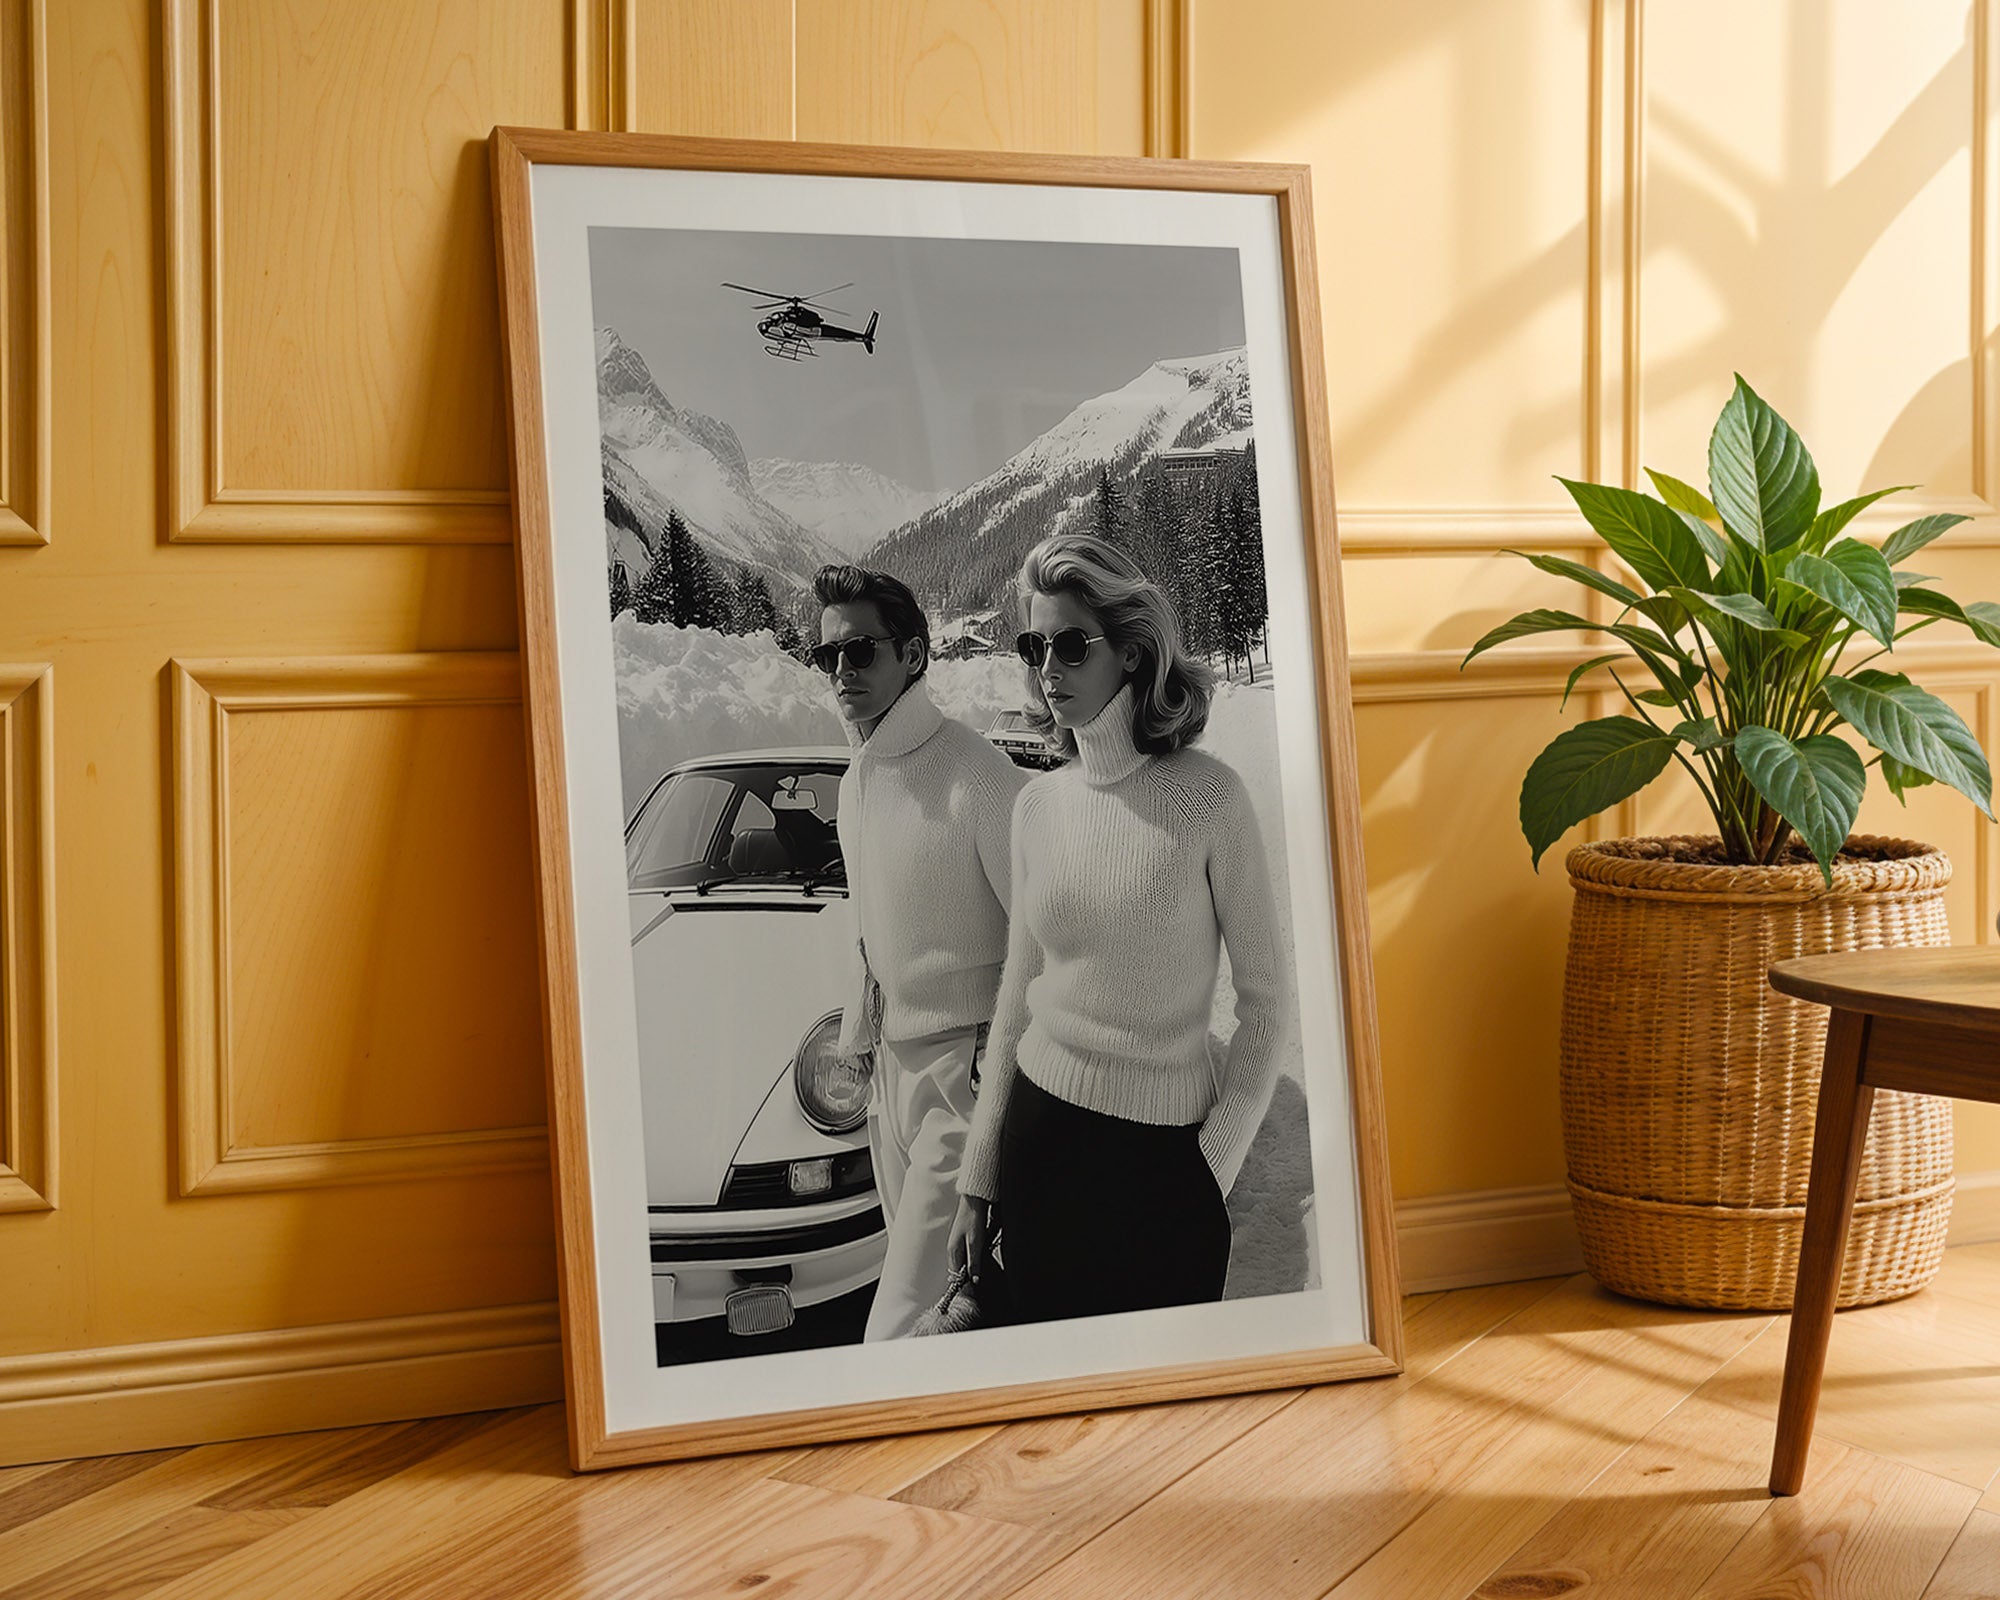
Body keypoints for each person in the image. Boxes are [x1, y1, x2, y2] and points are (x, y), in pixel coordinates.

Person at [948, 533, 1286, 1322]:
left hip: (1163, 1171)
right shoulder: (1037, 806)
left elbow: (1267, 1005)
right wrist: (979, 1178)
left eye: (1070, 644)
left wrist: (1211, 1168)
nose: (1047, 669)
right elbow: (1016, 1002)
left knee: (1164, 1421)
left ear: (1132, 654)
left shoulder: (1210, 798)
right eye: (1035, 645)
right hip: (1038, 1144)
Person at [812, 564, 1028, 1340]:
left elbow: (1047, 945)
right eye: (827, 655)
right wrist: (857, 1039)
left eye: (861, 651)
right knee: (946, 1313)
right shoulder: (856, 782)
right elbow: (866, 922)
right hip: (889, 1087)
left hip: (961, 1085)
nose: (842, 672)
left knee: (898, 1327)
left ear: (912, 655)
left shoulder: (977, 775)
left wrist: (997, 1076)